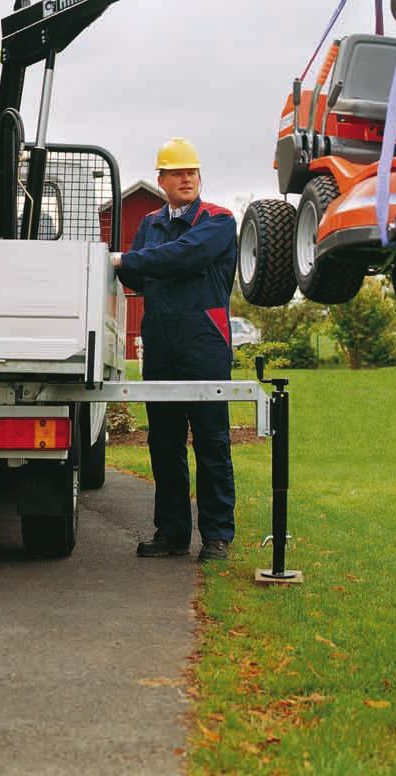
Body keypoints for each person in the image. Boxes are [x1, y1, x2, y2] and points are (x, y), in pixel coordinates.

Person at [111, 137, 236, 561]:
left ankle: (217, 535)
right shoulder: (150, 224)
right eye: (178, 172)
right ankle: (172, 533)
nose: (187, 178)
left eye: (193, 172)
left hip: (205, 344)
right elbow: (142, 276)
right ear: (161, 178)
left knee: (212, 441)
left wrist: (131, 260)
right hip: (161, 344)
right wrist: (140, 264)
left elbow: (182, 257)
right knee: (163, 442)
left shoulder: (218, 221)